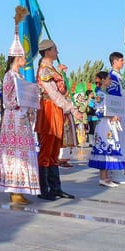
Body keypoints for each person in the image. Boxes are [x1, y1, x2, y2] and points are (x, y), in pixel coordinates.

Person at [34, 40, 83, 200]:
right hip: (48, 109)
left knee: (55, 149)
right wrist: (72, 108)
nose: (57, 52)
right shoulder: (44, 70)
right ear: (48, 51)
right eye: (55, 49)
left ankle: (55, 187)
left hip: (56, 109)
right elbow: (53, 94)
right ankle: (43, 188)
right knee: (46, 149)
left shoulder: (51, 69)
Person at [0, 45, 40, 204]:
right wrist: (22, 104)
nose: (25, 59)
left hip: (23, 118)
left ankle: (20, 188)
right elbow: (8, 100)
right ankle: (14, 189)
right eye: (23, 56)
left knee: (23, 153)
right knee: (15, 154)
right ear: (17, 58)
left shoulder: (20, 76)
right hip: (14, 118)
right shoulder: (9, 76)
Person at [87, 72, 125, 187]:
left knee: (109, 147)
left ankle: (106, 177)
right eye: (108, 79)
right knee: (105, 147)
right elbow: (98, 110)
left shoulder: (106, 93)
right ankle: (103, 178)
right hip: (104, 124)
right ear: (103, 80)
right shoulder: (99, 94)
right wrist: (110, 115)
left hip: (109, 124)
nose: (110, 81)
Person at [105, 52, 125, 184]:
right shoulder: (112, 76)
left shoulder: (121, 77)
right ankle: (116, 173)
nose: (123, 62)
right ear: (115, 61)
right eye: (121, 60)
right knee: (118, 143)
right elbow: (113, 96)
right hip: (118, 114)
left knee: (124, 143)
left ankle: (120, 172)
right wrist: (118, 109)